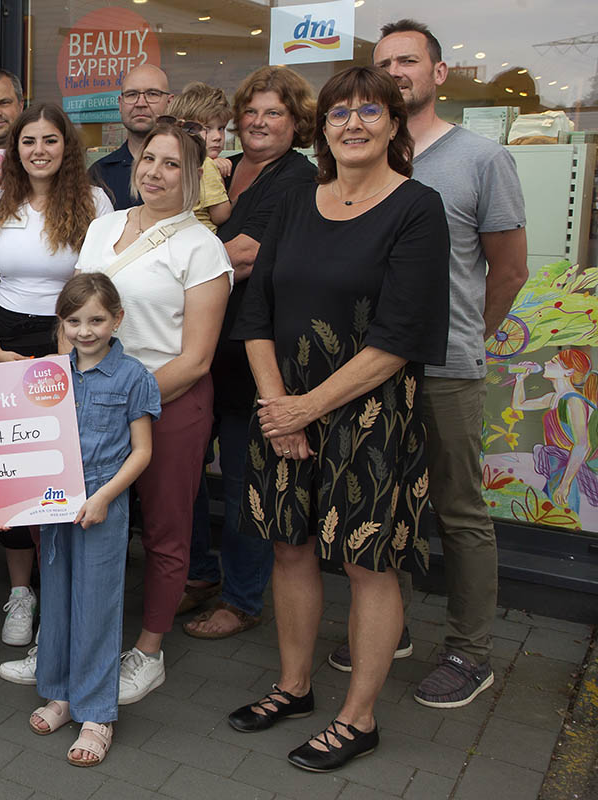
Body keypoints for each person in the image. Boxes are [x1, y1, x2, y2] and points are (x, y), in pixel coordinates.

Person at [227, 65, 450, 773]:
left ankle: (359, 717)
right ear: (321, 127)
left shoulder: (418, 208)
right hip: (281, 408)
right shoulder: (297, 200)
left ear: (395, 123)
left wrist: (308, 408)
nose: (353, 123)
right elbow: (256, 310)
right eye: (339, 112)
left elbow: (400, 335)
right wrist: (276, 407)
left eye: (369, 111)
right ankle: (294, 688)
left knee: (365, 561)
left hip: (372, 415)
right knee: (290, 547)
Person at [353, 18, 528, 708]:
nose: (396, 72)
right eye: (385, 62)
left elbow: (509, 271)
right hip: (374, 367)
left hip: (447, 367)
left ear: (438, 73)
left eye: (409, 61)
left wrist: (464, 337)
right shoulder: (366, 154)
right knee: (383, 501)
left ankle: (470, 650)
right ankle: (387, 628)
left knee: (458, 510)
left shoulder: (480, 160)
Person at [74, 120, 233, 704]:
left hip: (169, 403)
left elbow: (195, 358)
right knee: (84, 520)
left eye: (172, 164)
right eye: (150, 160)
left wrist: (121, 402)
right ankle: (73, 637)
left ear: (194, 178)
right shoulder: (102, 226)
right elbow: (79, 316)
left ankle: (148, 650)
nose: (156, 172)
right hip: (95, 401)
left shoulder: (202, 246)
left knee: (167, 530)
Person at [0, 102, 114, 650]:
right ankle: (20, 594)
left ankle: (63, 592)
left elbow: (91, 285)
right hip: (5, 341)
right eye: (28, 141)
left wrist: (63, 357)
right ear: (16, 149)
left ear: (66, 147)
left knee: (61, 469)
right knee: (13, 474)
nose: (38, 150)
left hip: (70, 339)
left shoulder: (95, 202)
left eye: (50, 140)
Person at [186, 65, 318, 641]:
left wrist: (184, 258)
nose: (258, 122)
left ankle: (242, 599)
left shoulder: (298, 179)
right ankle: (199, 574)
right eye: (251, 111)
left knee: (244, 480)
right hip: (197, 350)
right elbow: (224, 254)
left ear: (297, 123)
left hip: (252, 355)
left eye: (274, 113)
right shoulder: (223, 170)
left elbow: (247, 256)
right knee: (185, 469)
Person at [24, 273, 158, 767]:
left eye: (97, 319)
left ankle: (98, 713)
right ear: (61, 323)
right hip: (54, 501)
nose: (85, 330)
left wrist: (104, 497)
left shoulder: (133, 377)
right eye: (74, 320)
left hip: (104, 500)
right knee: (56, 599)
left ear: (116, 319)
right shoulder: (48, 374)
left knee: (98, 604)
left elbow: (142, 452)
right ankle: (60, 693)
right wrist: (9, 502)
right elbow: (23, 441)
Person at [512, 351, 598, 511]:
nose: (546, 363)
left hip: (566, 471)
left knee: (565, 514)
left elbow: (582, 445)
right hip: (555, 469)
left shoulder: (574, 401)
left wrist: (565, 484)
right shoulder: (554, 398)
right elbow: (519, 404)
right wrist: (520, 380)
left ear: (569, 371)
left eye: (553, 361)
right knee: (552, 513)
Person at [88, 64, 173, 210]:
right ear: (120, 104)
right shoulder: (99, 174)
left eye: (152, 94)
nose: (140, 103)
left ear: (169, 103)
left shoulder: (189, 166)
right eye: (132, 95)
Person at [161, 83, 231, 234]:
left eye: (221, 128)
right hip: (201, 237)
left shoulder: (171, 161)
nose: (217, 137)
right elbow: (221, 215)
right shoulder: (205, 165)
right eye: (207, 129)